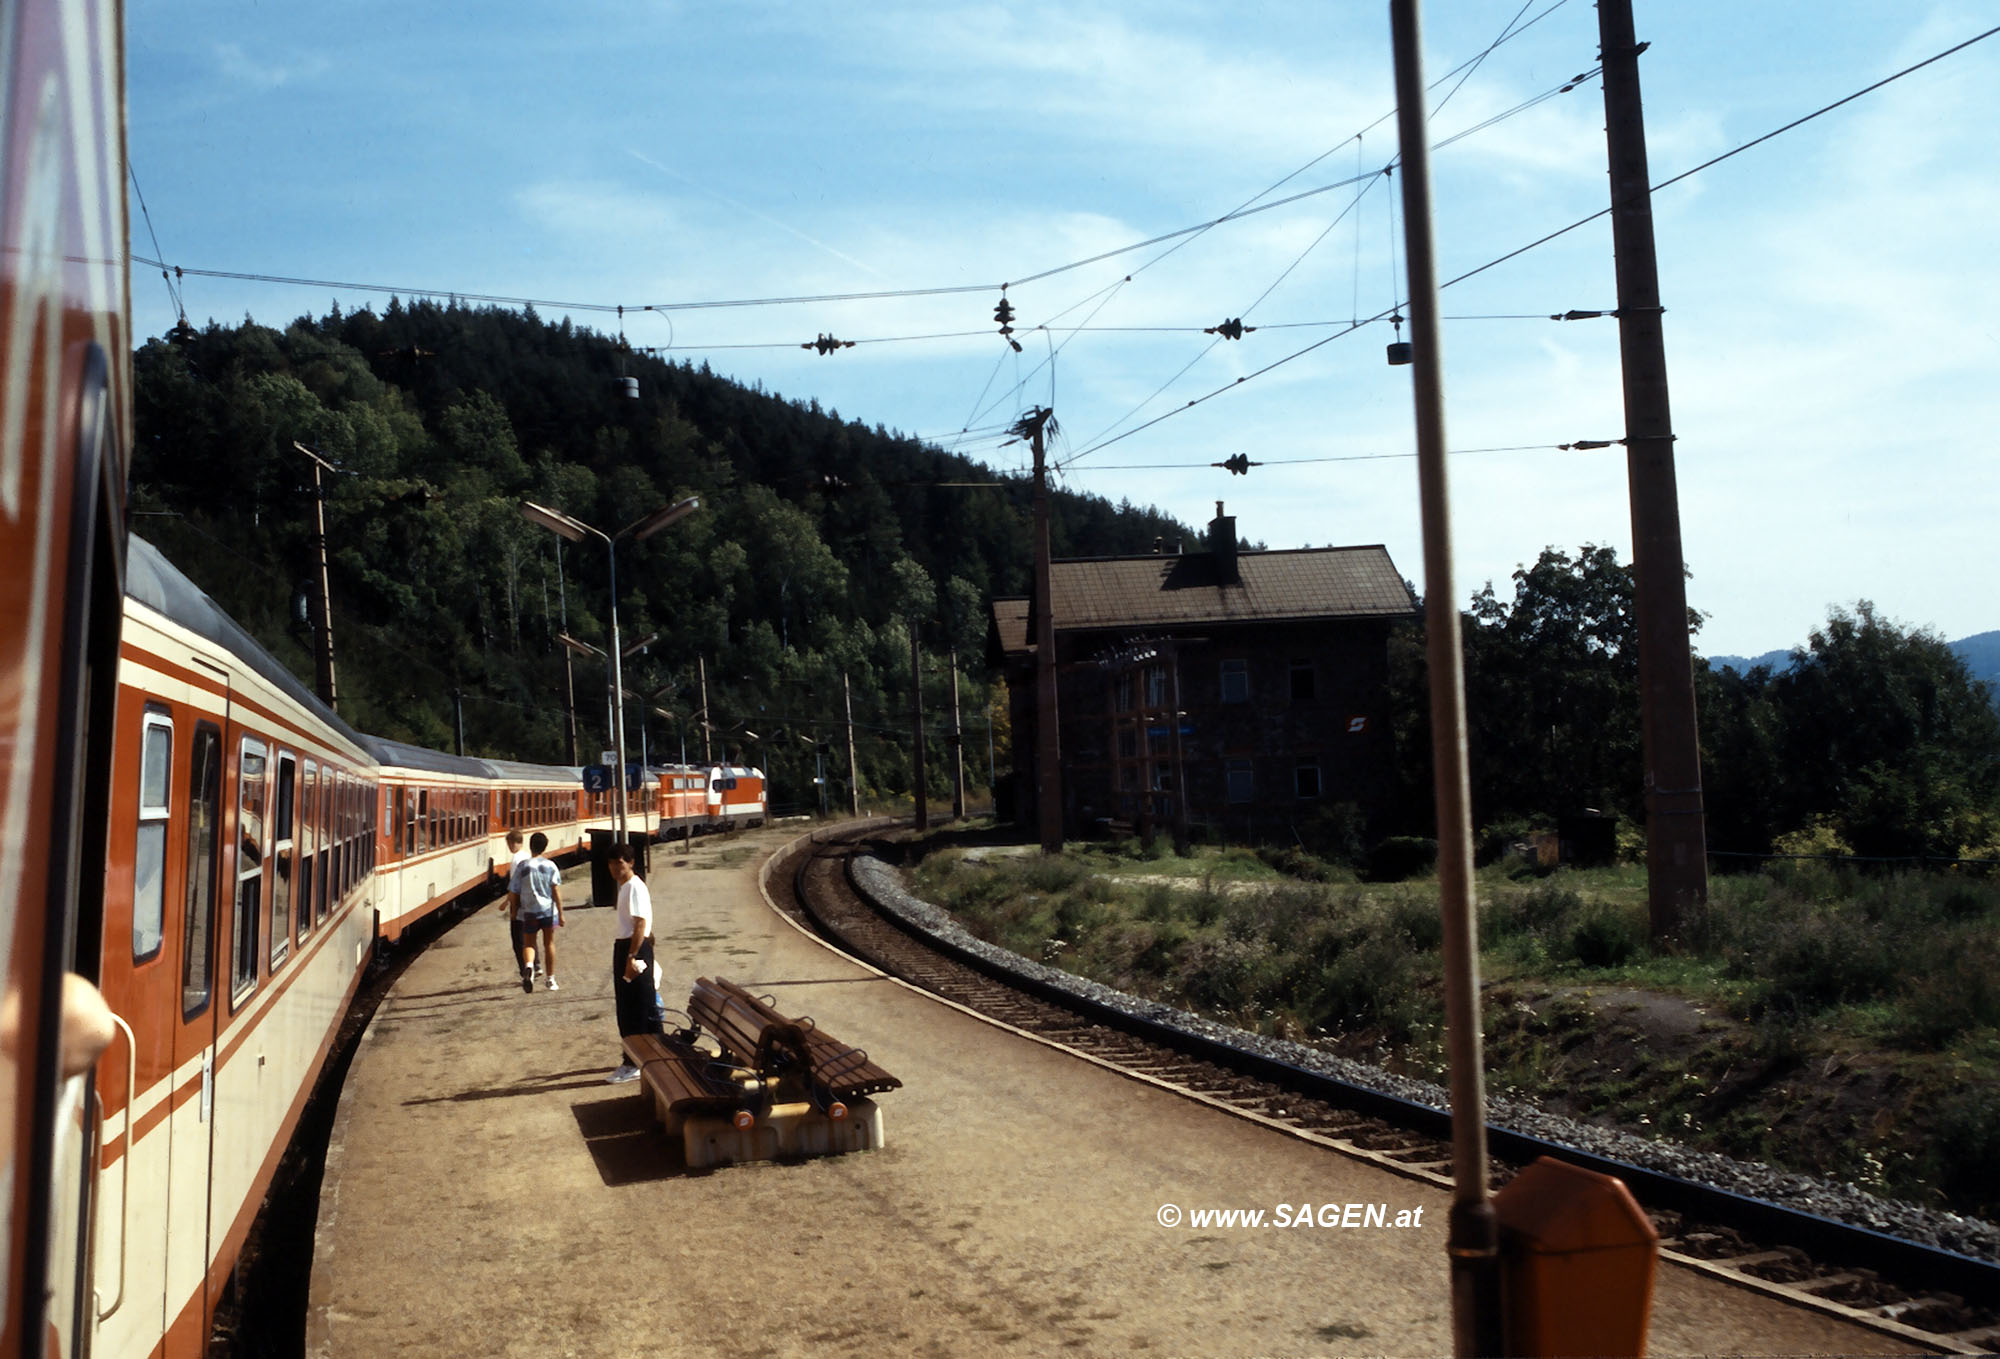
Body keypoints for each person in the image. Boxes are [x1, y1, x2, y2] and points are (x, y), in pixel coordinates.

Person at [604, 844, 663, 1083]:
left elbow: (640, 924)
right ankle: (634, 1057)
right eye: (611, 863)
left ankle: (638, 1061)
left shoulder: (635, 887)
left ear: (630, 863)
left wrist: (632, 956)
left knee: (638, 1008)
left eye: (619, 862)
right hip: (627, 947)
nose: (614, 868)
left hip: (634, 948)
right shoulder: (625, 888)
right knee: (628, 1007)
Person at [510, 832, 562, 993]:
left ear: (530, 845)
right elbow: (556, 891)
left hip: (529, 912)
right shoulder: (551, 866)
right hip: (548, 912)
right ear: (544, 847)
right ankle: (551, 979)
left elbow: (514, 891)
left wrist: (513, 911)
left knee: (529, 944)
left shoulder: (523, 866)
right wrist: (561, 913)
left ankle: (529, 967)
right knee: (549, 944)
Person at [499, 829, 529, 976]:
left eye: (509, 844)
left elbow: (515, 885)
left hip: (518, 902)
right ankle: (535, 965)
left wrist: (512, 909)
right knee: (528, 936)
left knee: (517, 940)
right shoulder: (527, 856)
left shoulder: (516, 859)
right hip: (529, 901)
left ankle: (525, 970)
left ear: (511, 843)